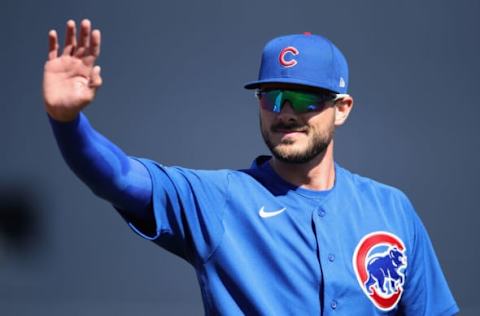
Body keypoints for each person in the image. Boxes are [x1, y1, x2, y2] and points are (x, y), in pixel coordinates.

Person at [44, 19, 459, 315]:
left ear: (342, 108)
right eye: (272, 97)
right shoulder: (221, 200)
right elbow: (117, 177)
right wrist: (68, 123)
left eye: (306, 99)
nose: (286, 113)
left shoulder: (391, 209)